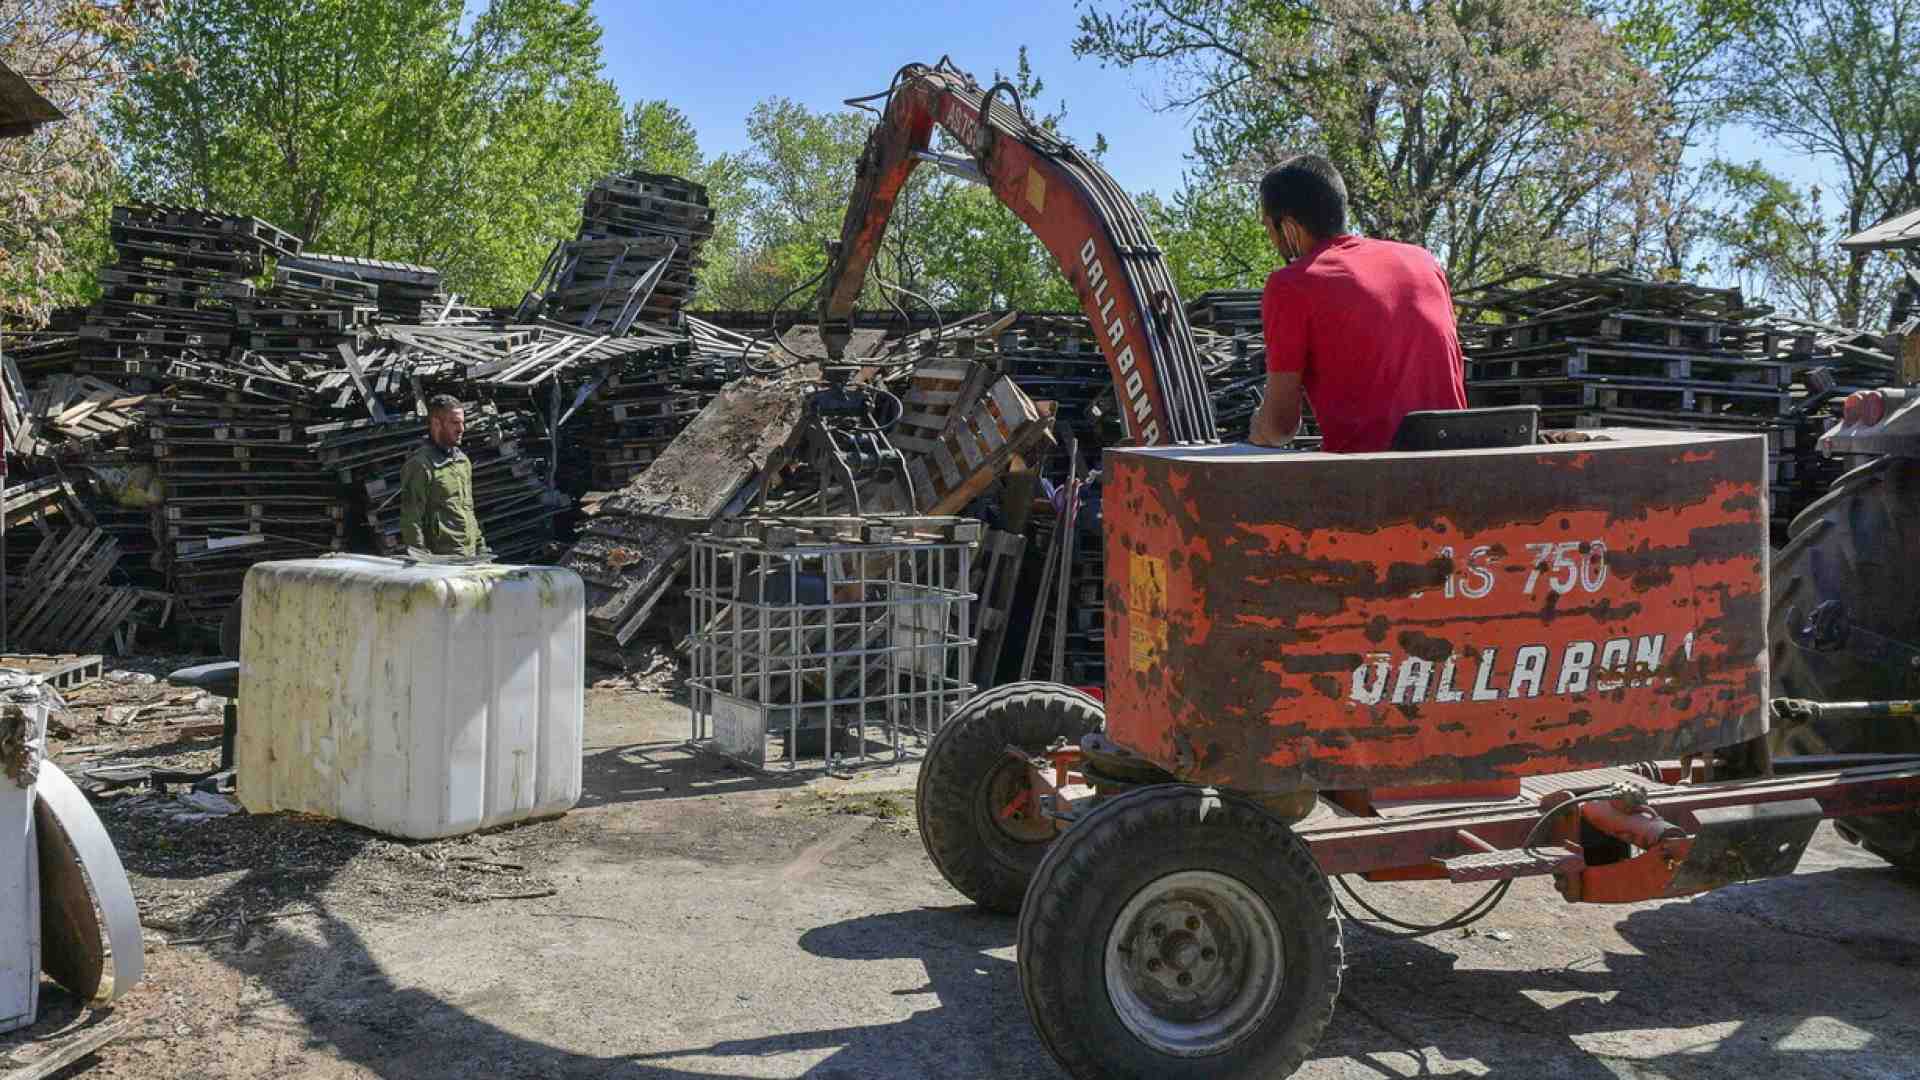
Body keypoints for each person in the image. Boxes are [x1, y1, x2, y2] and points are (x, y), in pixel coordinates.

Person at [1248, 154, 1468, 452]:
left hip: (1370, 473)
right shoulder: (1423, 261)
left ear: (1288, 227)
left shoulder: (1292, 284)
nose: (1271, 239)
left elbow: (1279, 428)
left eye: (1268, 228)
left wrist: (1258, 427)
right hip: (1459, 460)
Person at [398, 395, 483, 557]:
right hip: (443, 559)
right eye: (455, 423)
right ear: (436, 423)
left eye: (462, 422)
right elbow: (411, 519)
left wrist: (481, 549)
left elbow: (468, 510)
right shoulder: (420, 465)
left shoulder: (462, 461)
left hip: (470, 555)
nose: (461, 429)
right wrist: (422, 558)